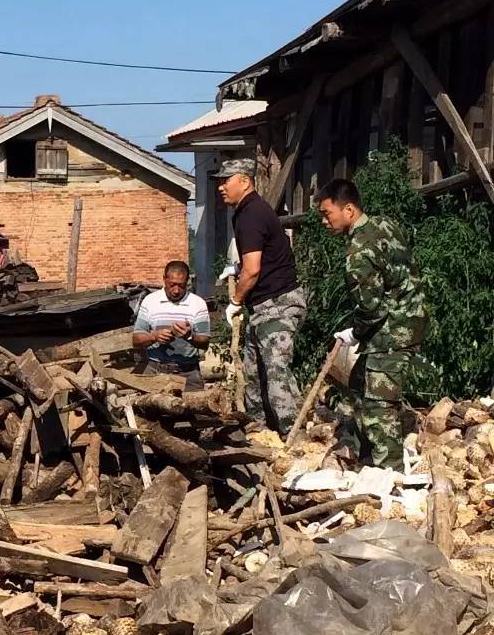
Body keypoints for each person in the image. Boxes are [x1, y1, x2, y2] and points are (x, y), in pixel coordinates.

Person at [315, 178, 427, 470]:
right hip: (412, 317)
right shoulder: (385, 225)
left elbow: (370, 308)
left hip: (392, 331)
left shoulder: (358, 252)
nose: (325, 222)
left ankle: (390, 474)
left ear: (348, 210)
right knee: (359, 382)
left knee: (378, 405)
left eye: (328, 214)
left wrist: (355, 332)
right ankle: (370, 454)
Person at [217, 157, 307, 435]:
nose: (220, 187)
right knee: (255, 374)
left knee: (276, 372)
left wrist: (235, 301)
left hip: (278, 304)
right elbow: (252, 262)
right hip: (262, 306)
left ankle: (293, 437)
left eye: (226, 180)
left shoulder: (252, 214)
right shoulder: (246, 212)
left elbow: (253, 270)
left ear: (244, 181)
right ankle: (259, 434)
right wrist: (238, 269)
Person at [131, 260, 211, 390]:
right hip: (155, 371)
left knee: (197, 408)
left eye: (181, 285)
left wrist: (189, 336)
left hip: (188, 372)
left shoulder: (198, 304)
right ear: (164, 279)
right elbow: (136, 340)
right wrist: (154, 337)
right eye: (172, 284)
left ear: (187, 282)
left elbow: (205, 342)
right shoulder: (150, 301)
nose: (176, 290)